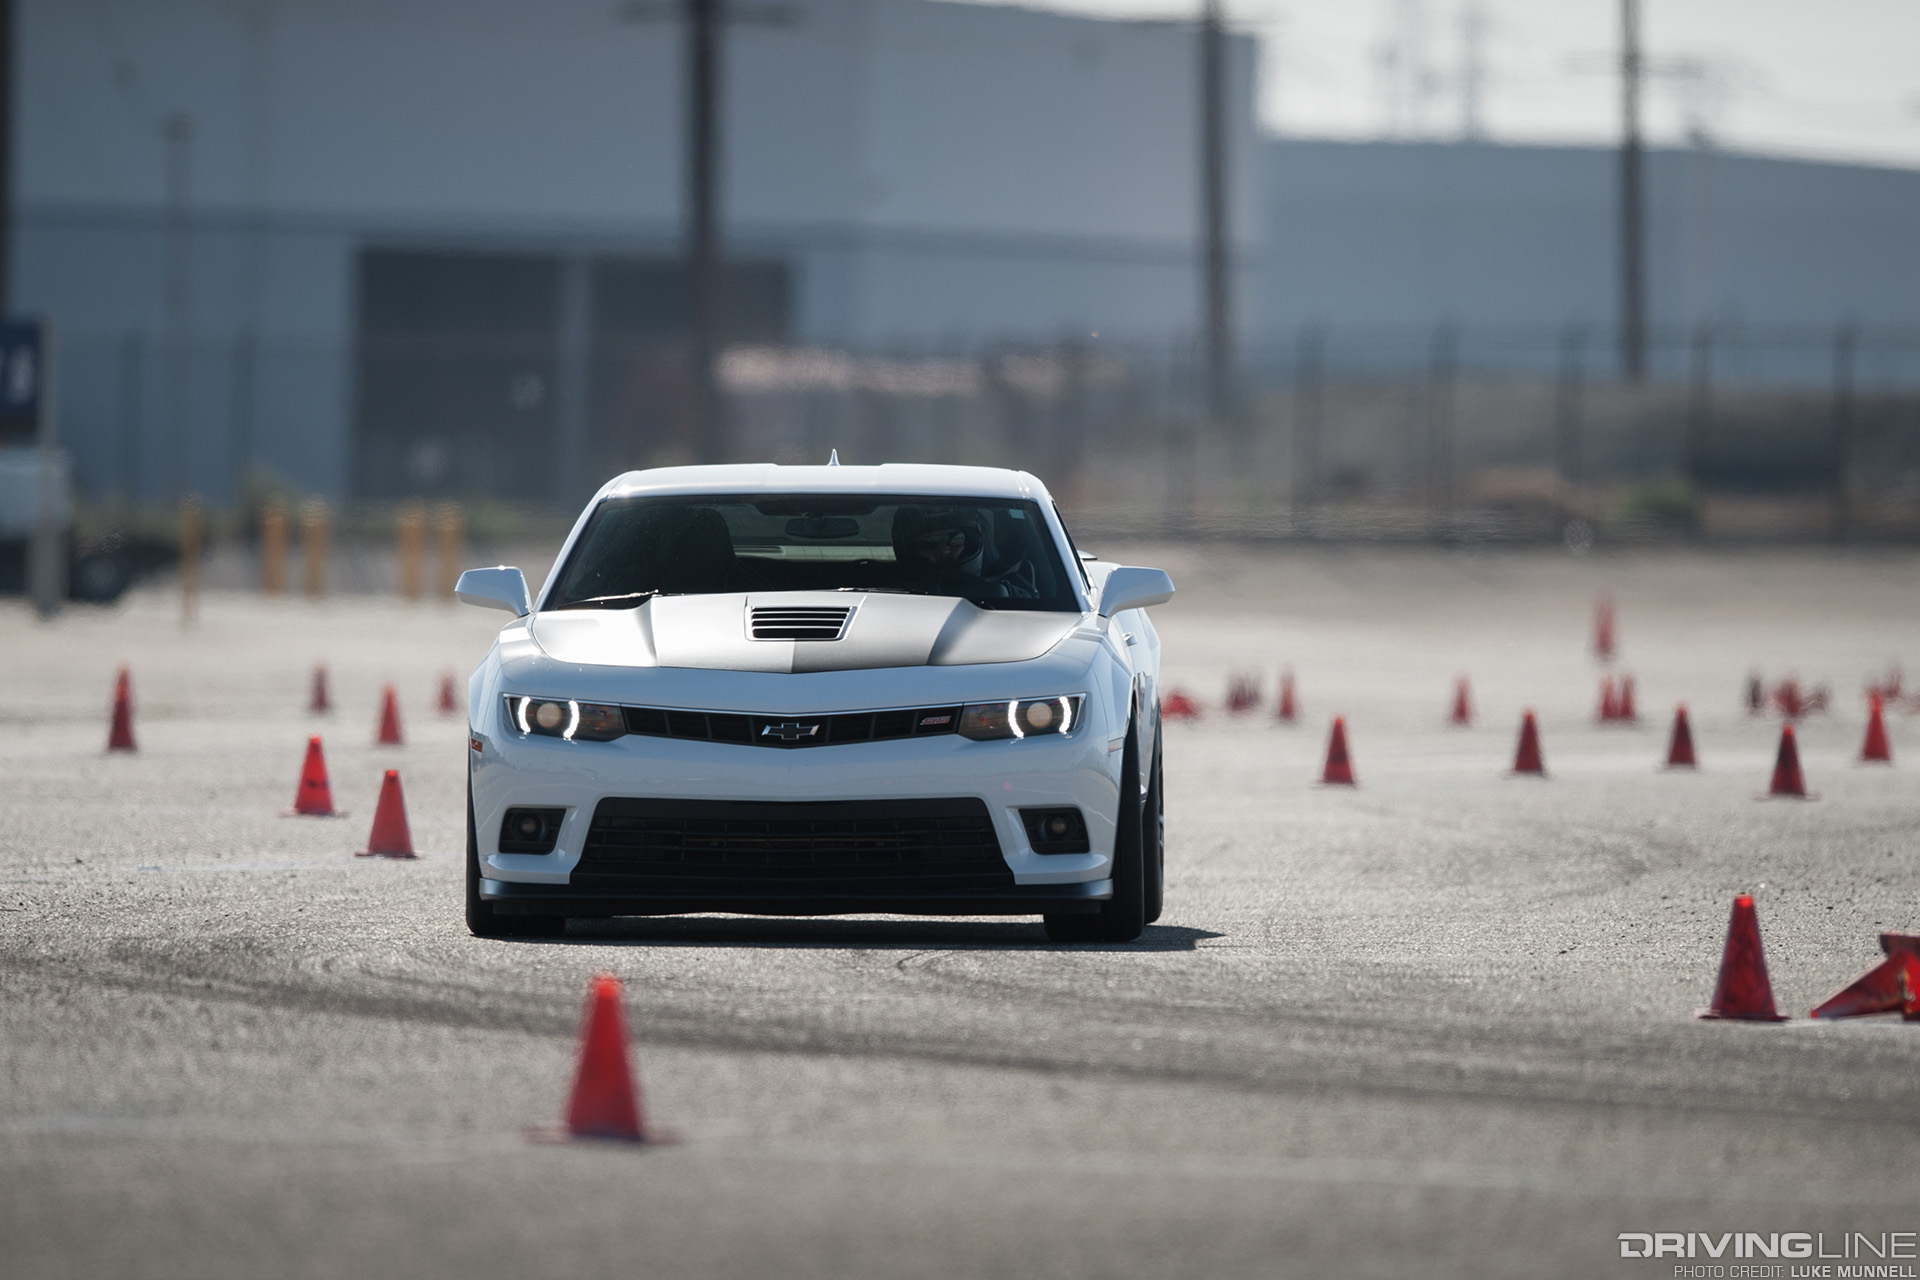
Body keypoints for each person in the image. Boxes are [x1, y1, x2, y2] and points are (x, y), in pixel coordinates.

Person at [890, 505, 1036, 599]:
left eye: (955, 540)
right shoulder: (886, 594)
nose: (944, 550)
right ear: (909, 548)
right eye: (930, 543)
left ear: (970, 543)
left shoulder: (1012, 594)